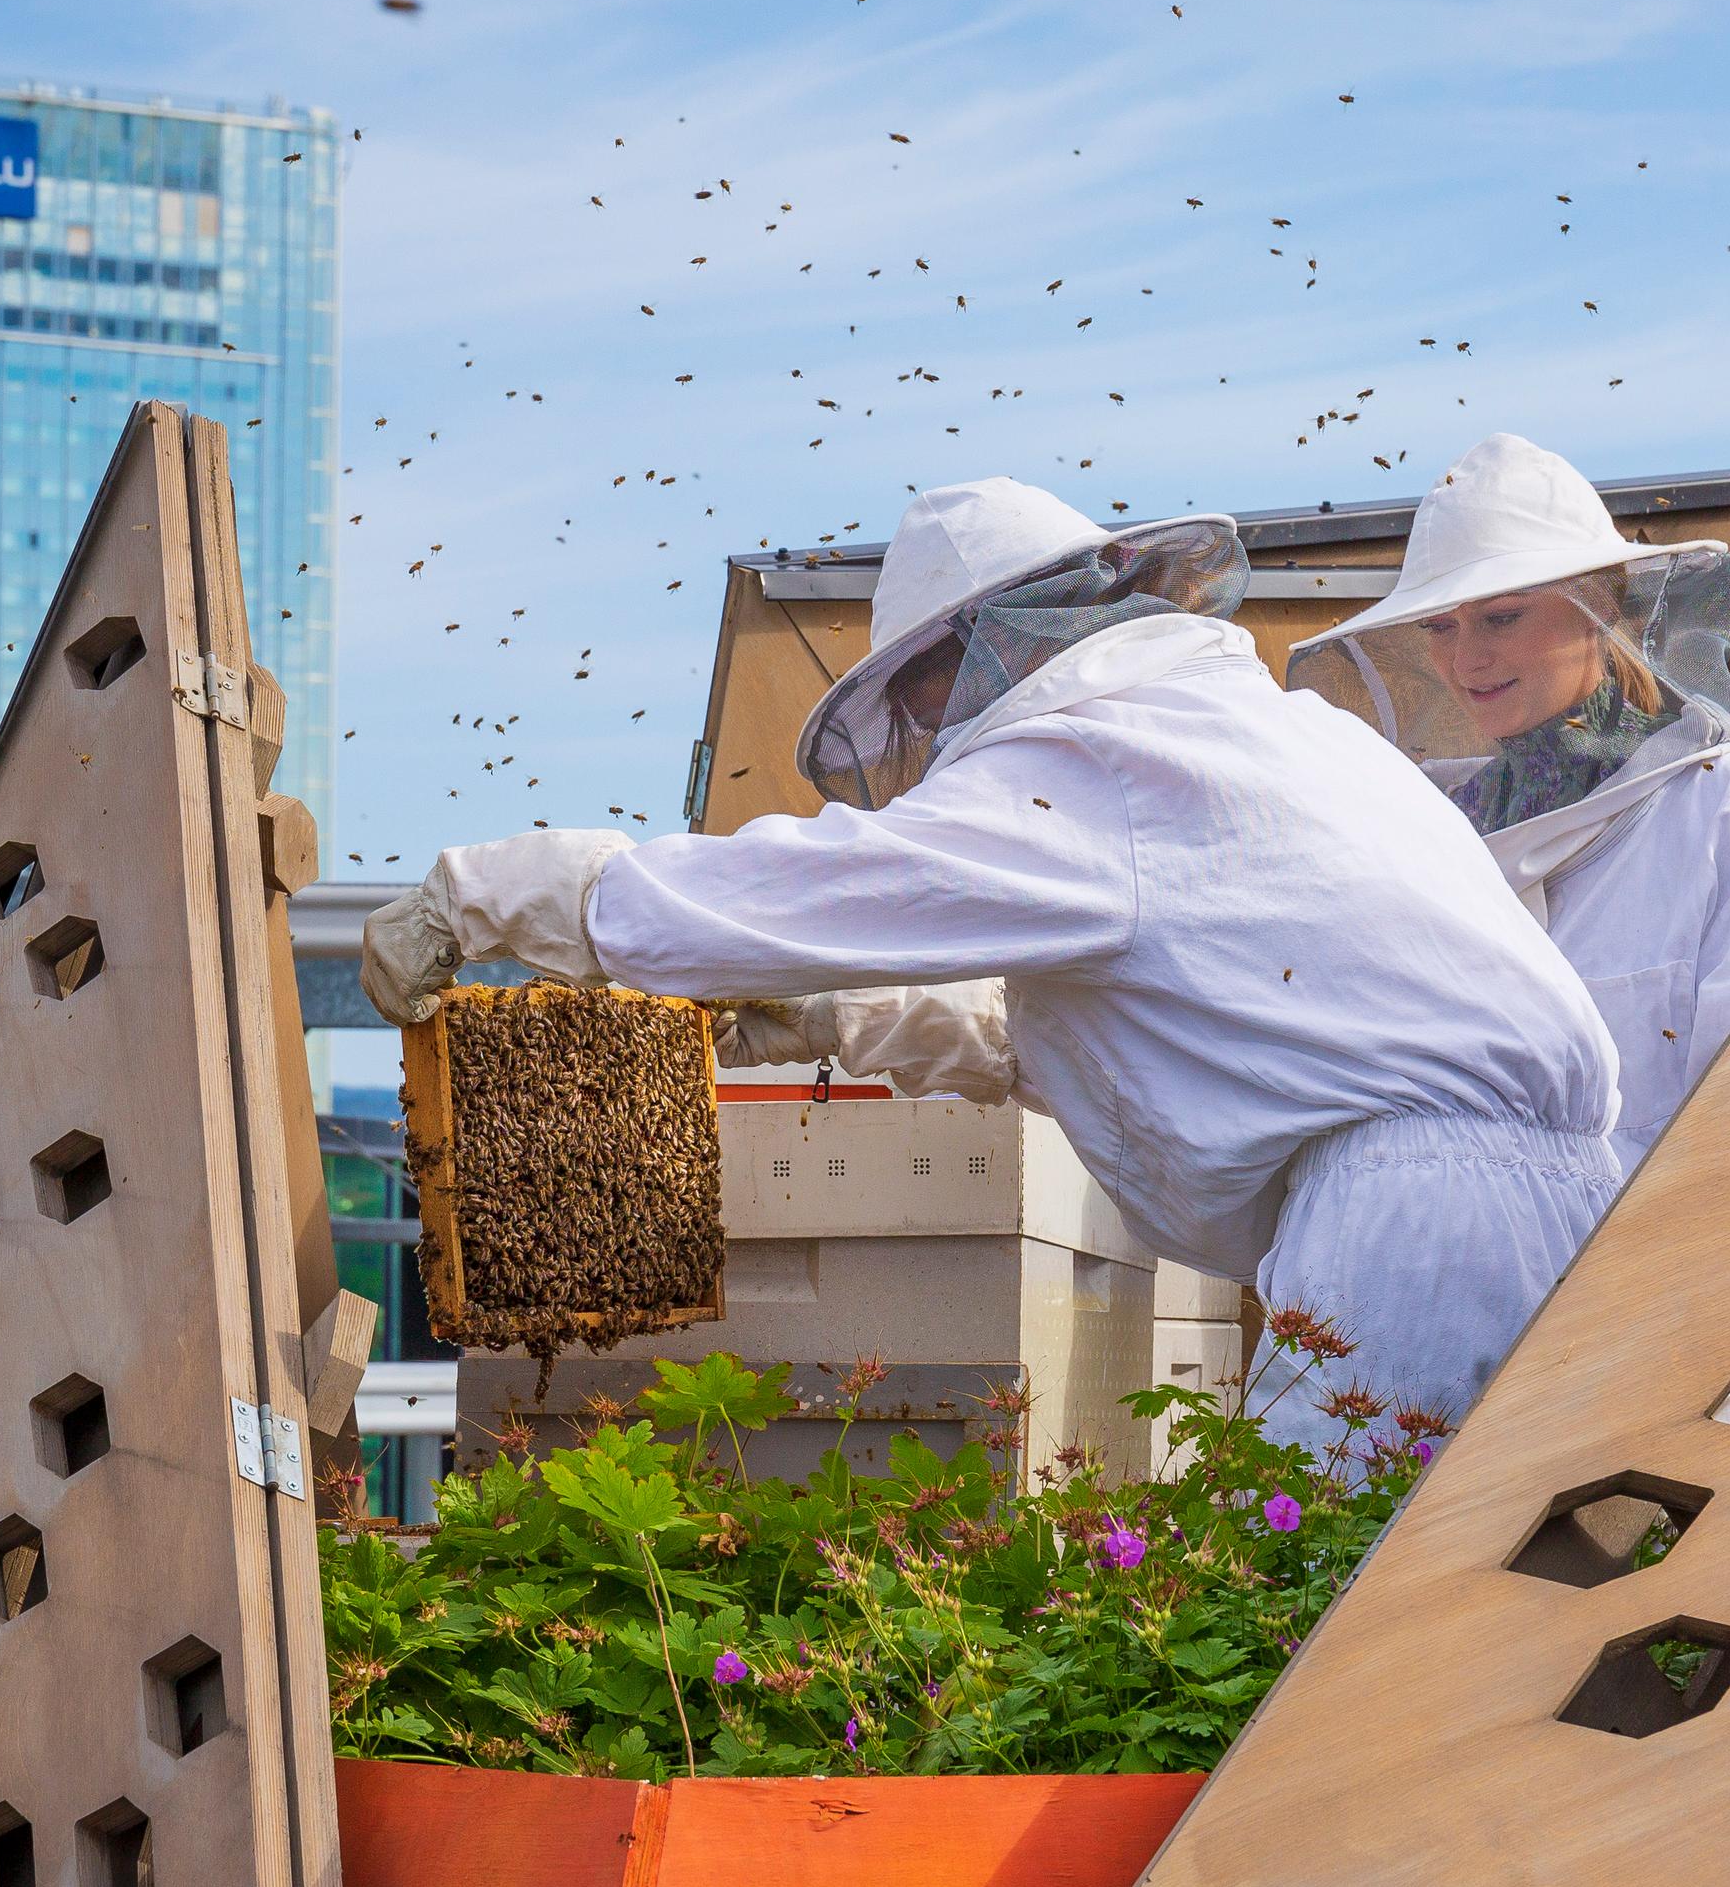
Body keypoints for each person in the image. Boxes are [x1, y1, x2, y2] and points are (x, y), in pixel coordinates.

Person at [361, 476, 1623, 1427]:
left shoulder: (1093, 757)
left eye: (915, 687)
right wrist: (839, 1022)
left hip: (1418, 1233)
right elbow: (1143, 1034)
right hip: (1578, 1215)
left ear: (987, 642)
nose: (913, 721)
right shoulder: (1253, 738)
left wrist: (491, 894)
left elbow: (800, 888)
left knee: (1336, 1663)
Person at [1287, 433, 1730, 1179]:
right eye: (1439, 627)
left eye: (1501, 617)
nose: (1464, 661)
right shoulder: (1435, 837)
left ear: (1599, 605)